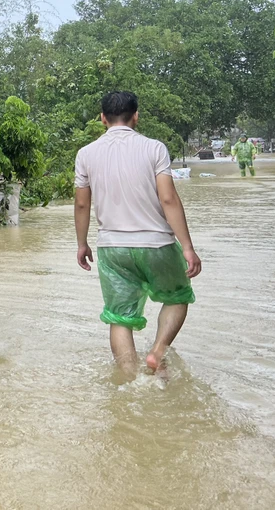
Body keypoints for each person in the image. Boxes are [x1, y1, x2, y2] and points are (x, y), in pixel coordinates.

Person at [73, 91, 202, 377]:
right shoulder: (154, 148)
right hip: (156, 242)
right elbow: (168, 199)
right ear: (136, 116)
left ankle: (128, 377)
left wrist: (81, 244)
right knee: (177, 297)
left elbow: (82, 203)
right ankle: (157, 352)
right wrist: (188, 247)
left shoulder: (86, 154)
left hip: (112, 248)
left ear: (103, 118)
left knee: (120, 317)